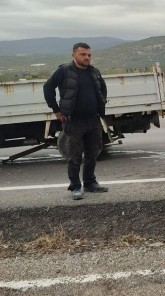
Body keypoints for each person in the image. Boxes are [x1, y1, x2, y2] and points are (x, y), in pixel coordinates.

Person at [43, 42, 108, 200]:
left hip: (93, 120)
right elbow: (47, 87)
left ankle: (90, 183)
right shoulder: (64, 71)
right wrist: (56, 110)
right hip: (73, 121)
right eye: (83, 54)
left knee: (93, 154)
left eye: (89, 55)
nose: (87, 57)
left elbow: (103, 88)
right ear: (74, 55)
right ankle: (76, 186)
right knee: (75, 156)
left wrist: (101, 103)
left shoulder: (94, 71)